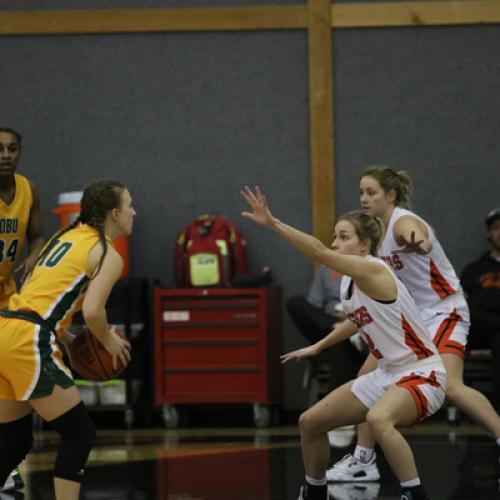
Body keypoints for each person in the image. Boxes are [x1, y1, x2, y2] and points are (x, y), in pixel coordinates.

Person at [241, 185, 446, 500]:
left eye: (344, 237)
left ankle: (414, 493)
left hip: (422, 372)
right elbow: (356, 320)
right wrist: (319, 346)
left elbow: (319, 253)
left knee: (378, 419)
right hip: (388, 373)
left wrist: (273, 223)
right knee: (310, 422)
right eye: (335, 236)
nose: (335, 244)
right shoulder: (350, 283)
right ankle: (315, 491)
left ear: (365, 245)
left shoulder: (374, 270)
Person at [328, 165, 500, 484]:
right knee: (367, 376)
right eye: (361, 192)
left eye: (371, 192)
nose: (364, 198)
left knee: (451, 386)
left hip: (443, 309)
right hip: (411, 318)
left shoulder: (401, 222)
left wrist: (417, 242)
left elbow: (417, 236)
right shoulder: (373, 234)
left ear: (391, 195)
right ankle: (363, 461)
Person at [0, 180, 134, 500]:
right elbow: (92, 312)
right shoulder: (107, 253)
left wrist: (69, 339)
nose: (134, 212)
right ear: (115, 214)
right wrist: (108, 341)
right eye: (130, 205)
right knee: (79, 435)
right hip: (28, 340)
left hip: (6, 328)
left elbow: (35, 290)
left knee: (14, 439)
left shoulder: (64, 236)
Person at [0, 128, 45, 493]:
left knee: (9, 384)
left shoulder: (28, 189)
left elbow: (37, 234)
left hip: (7, 297)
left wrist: (35, 254)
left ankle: (6, 464)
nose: (6, 154)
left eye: (12, 148)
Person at [286, 265, 365, 395]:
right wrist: (331, 321)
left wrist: (349, 315)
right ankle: (334, 327)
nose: (335, 244)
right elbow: (314, 306)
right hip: (328, 323)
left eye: (343, 242)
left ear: (363, 245)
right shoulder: (325, 270)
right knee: (295, 302)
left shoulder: (370, 266)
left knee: (339, 341)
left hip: (358, 326)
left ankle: (335, 400)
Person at [460, 208, 500, 410]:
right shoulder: (473, 270)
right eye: (497, 228)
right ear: (488, 233)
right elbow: (467, 306)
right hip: (480, 331)